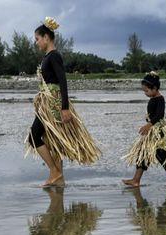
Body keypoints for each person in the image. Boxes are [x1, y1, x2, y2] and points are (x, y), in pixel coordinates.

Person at [26, 17, 101, 187]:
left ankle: (54, 171)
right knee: (53, 139)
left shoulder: (54, 56)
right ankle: (59, 181)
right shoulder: (48, 57)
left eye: (37, 39)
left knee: (33, 135)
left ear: (46, 37)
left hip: (55, 105)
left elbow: (63, 81)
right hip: (47, 104)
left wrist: (65, 108)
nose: (36, 42)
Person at [123, 71, 166, 187]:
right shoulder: (153, 98)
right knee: (142, 154)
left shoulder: (160, 99)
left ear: (154, 88)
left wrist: (149, 125)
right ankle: (136, 180)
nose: (145, 93)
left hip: (159, 133)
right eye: (144, 91)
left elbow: (159, 115)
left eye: (147, 91)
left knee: (163, 155)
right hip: (151, 132)